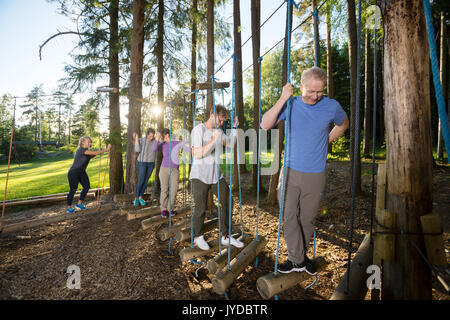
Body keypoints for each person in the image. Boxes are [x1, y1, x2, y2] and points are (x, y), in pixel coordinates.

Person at [261, 67, 349, 275]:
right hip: (290, 171)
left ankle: (296, 260)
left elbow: (344, 123)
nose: (315, 96)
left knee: (306, 219)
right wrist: (283, 98)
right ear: (301, 86)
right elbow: (265, 125)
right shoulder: (290, 104)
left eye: (320, 91)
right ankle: (299, 260)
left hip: (316, 174)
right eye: (311, 91)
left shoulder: (331, 106)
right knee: (289, 215)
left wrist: (327, 139)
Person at [189, 104, 244, 250]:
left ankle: (225, 236)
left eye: (222, 122)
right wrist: (214, 140)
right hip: (199, 175)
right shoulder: (198, 130)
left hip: (216, 175)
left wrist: (234, 128)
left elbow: (231, 144)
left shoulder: (218, 131)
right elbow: (196, 154)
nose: (220, 124)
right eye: (219, 120)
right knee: (201, 208)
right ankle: (198, 237)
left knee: (227, 200)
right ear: (212, 114)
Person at [67, 136, 111, 213]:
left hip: (82, 172)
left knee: (86, 186)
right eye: (88, 142)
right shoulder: (81, 150)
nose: (90, 143)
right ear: (83, 142)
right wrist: (106, 149)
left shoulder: (87, 151)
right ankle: (69, 207)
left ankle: (79, 204)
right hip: (73, 172)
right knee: (73, 190)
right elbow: (94, 153)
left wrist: (100, 151)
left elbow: (93, 154)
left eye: (90, 142)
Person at [152, 128, 189, 218]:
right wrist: (157, 138)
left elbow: (187, 149)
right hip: (164, 169)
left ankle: (170, 208)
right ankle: (163, 209)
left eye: (162, 136)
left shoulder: (176, 143)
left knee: (174, 190)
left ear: (167, 135)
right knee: (164, 190)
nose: (161, 138)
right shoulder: (162, 144)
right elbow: (154, 148)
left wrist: (186, 142)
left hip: (174, 170)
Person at [133, 128, 157, 207]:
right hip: (142, 163)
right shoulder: (141, 140)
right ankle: (136, 198)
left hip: (151, 164)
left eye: (152, 136)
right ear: (147, 134)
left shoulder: (154, 141)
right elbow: (137, 149)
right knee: (141, 180)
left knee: (146, 181)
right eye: (150, 136)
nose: (151, 138)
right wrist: (136, 138)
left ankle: (140, 197)